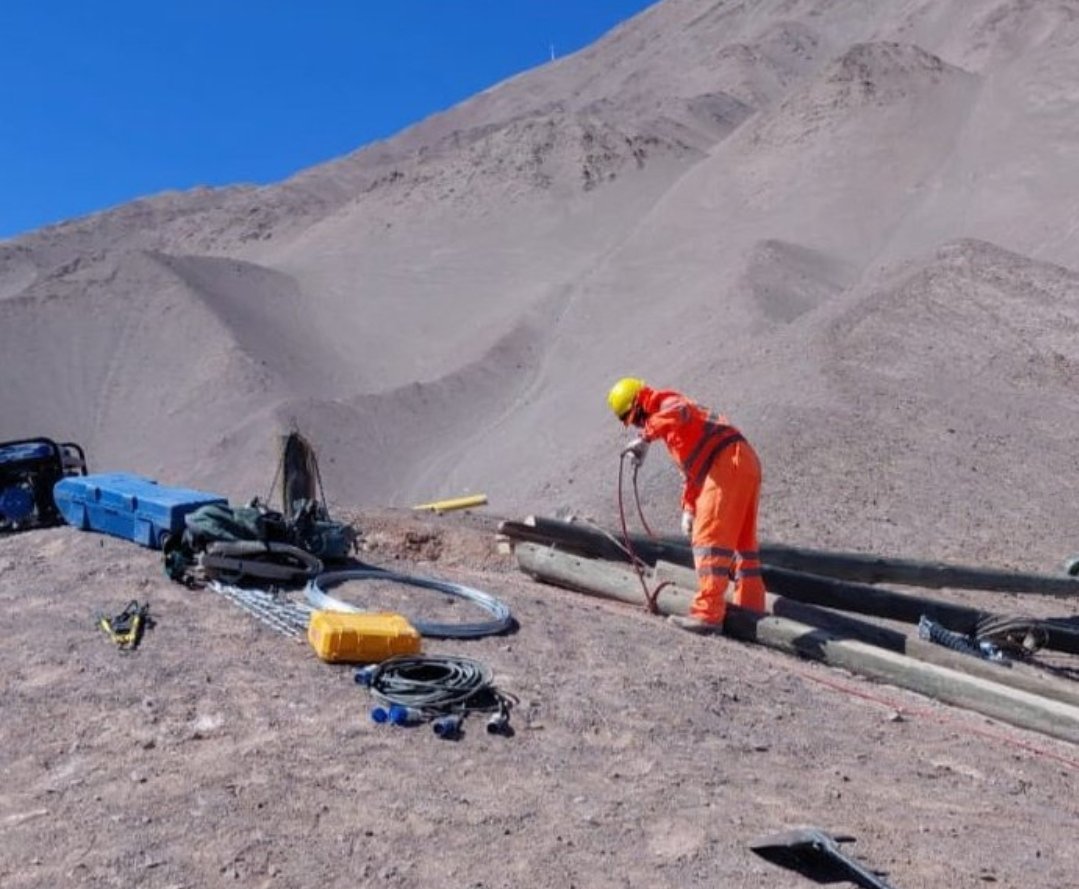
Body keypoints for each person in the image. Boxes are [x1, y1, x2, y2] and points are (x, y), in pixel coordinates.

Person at [607, 377, 766, 633]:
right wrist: (689, 509)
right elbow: (694, 471)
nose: (638, 424)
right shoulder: (673, 432)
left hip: (728, 464)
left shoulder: (667, 403)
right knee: (742, 546)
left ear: (640, 403)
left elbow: (679, 412)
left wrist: (646, 437)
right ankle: (750, 612)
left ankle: (707, 615)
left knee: (708, 540)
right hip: (741, 463)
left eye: (636, 418)